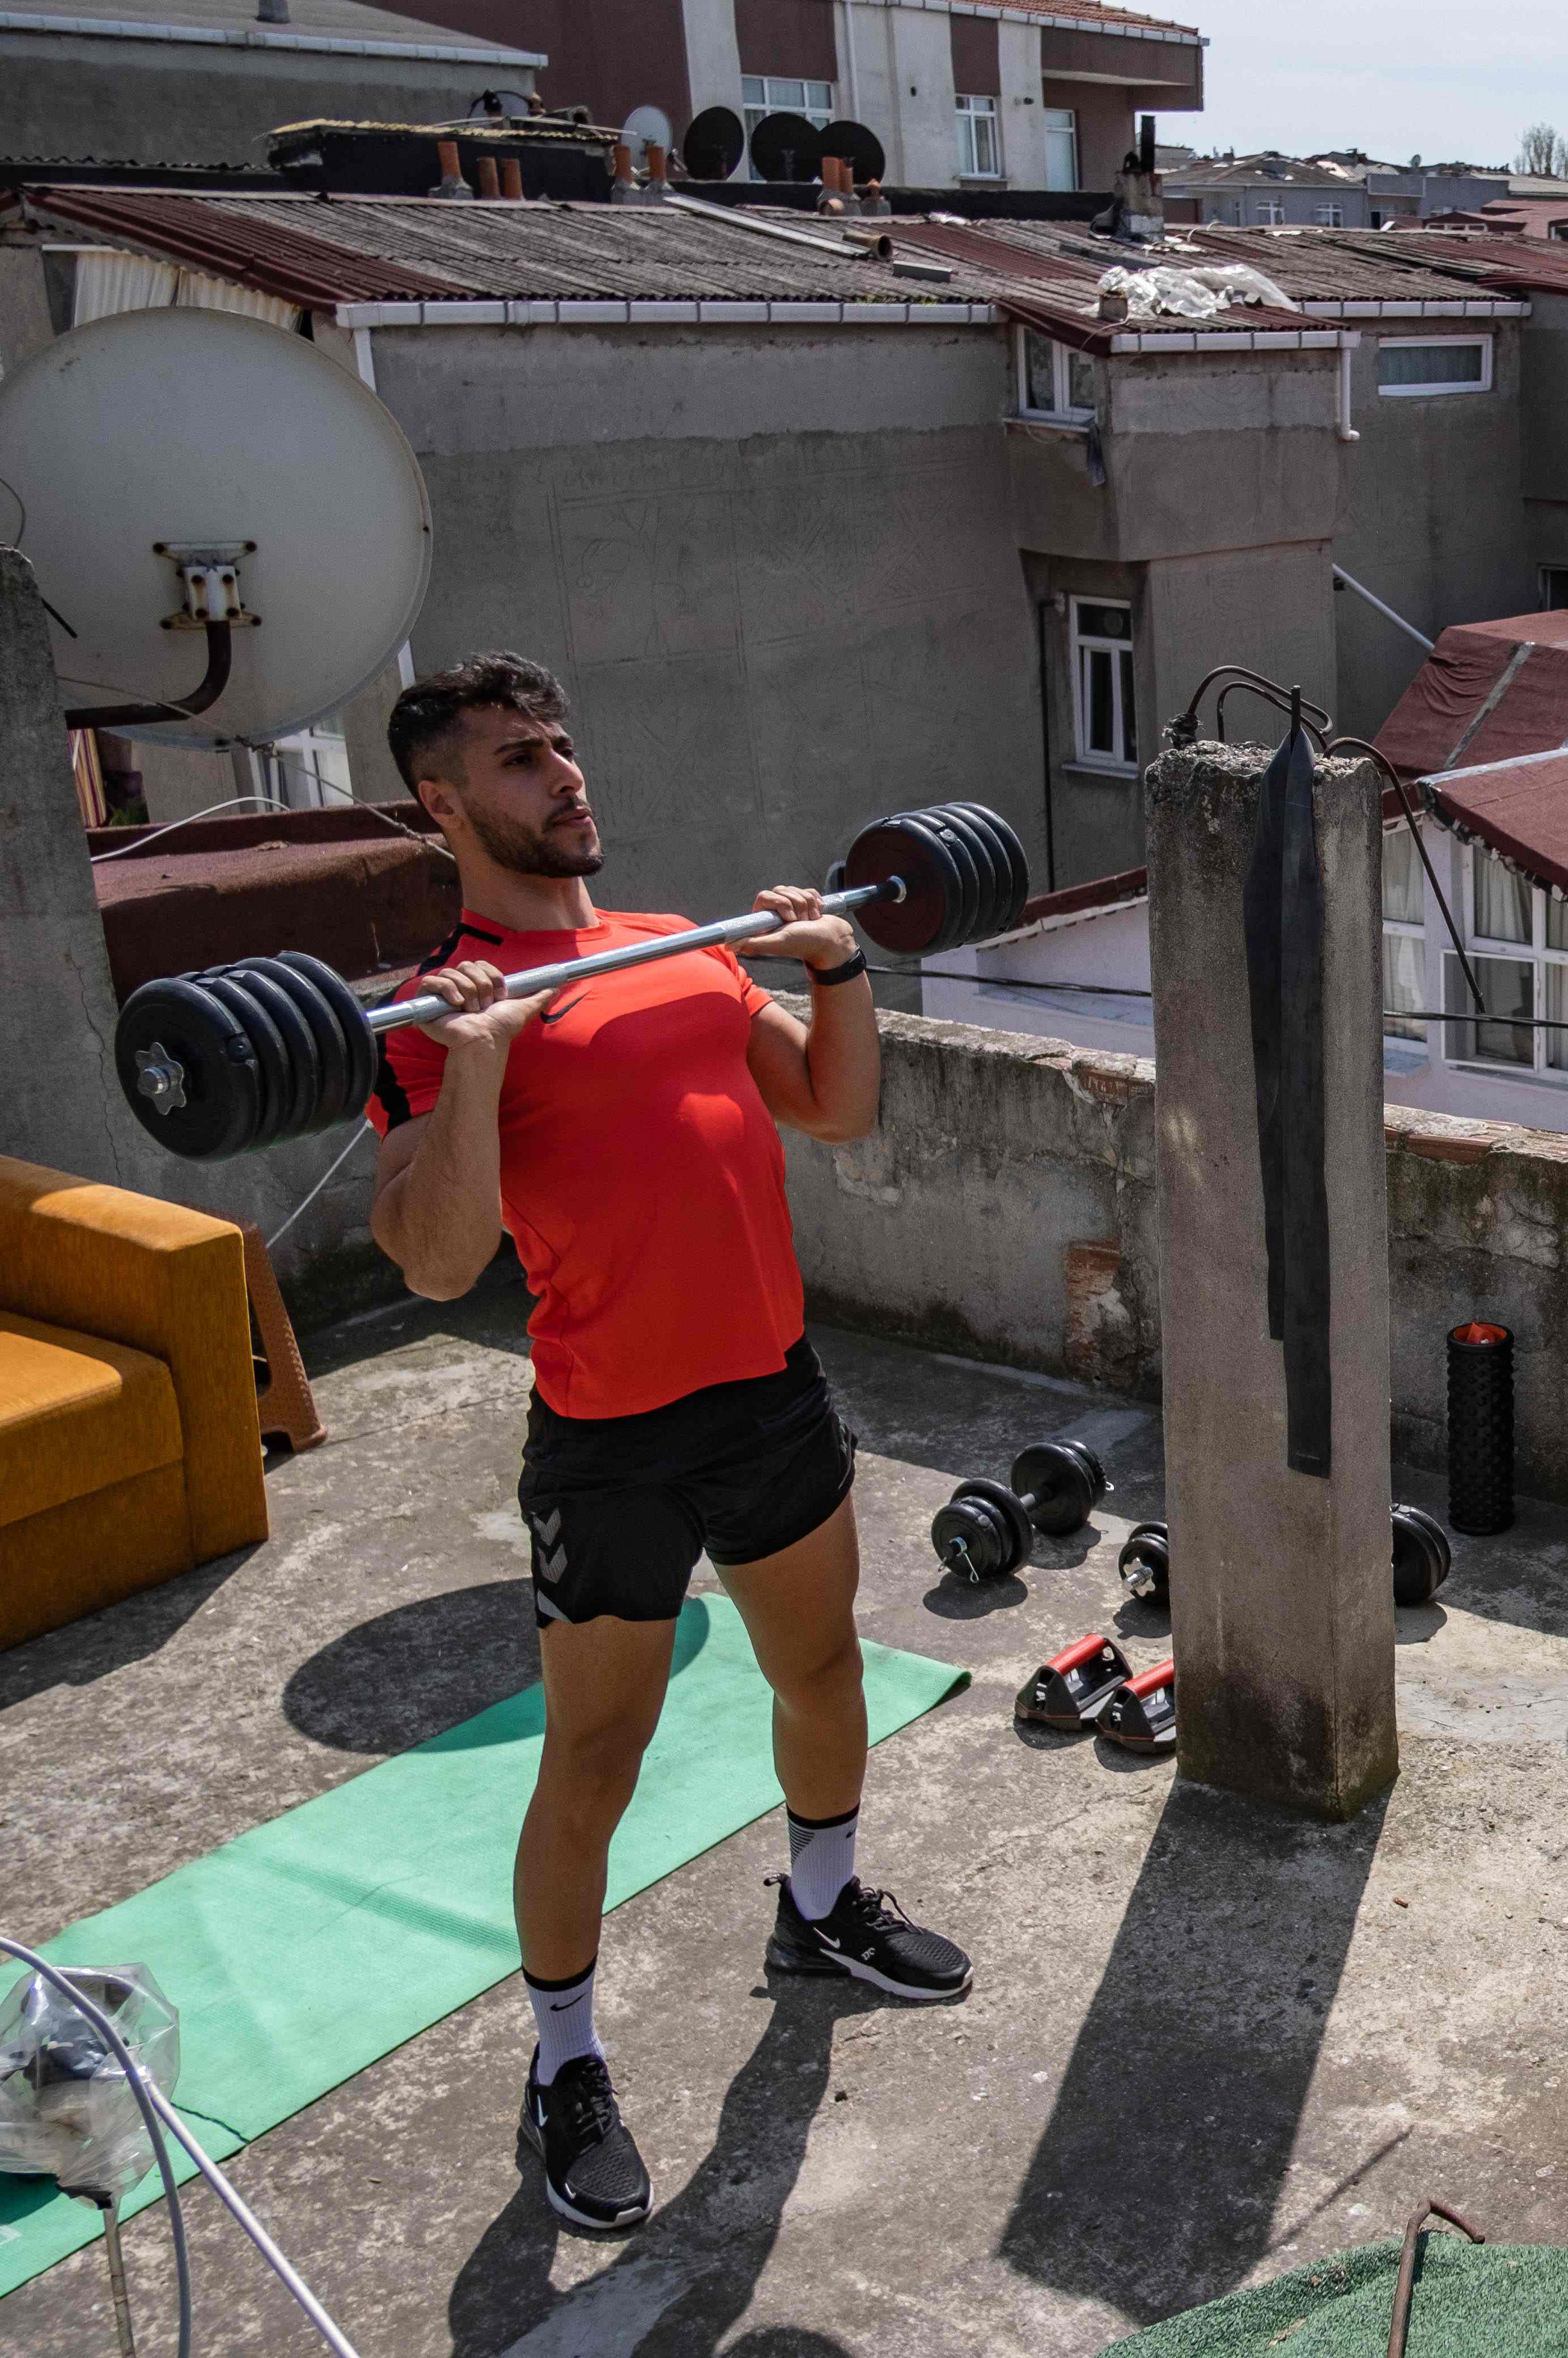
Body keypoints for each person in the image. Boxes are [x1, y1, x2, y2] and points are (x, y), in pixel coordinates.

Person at [365, 652, 967, 2236]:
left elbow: (832, 1114)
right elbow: (432, 1259)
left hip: (768, 1395)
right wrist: (482, 1061)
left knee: (823, 1673)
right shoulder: (440, 1013)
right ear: (444, 804)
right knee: (596, 1761)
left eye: (561, 748)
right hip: (609, 1437)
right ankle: (563, 2058)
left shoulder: (680, 946)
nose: (563, 777)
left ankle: (821, 1911)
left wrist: (839, 971)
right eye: (515, 761)